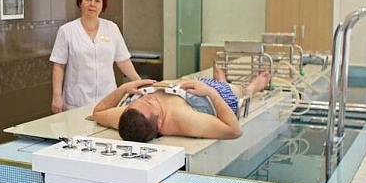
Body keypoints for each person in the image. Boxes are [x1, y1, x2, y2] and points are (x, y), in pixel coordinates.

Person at [92, 67, 272, 141]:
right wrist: (211, 93)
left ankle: (221, 80)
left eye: (138, 100)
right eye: (149, 102)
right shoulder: (182, 120)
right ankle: (251, 87)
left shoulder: (130, 117)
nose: (145, 97)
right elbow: (234, 130)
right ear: (159, 123)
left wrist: (123, 89)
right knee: (238, 91)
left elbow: (98, 112)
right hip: (216, 96)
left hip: (186, 86)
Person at [50, 0, 140, 112]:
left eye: (97, 0)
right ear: (80, 3)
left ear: (102, 6)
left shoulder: (112, 28)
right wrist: (57, 96)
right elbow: (59, 65)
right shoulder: (67, 30)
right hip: (77, 100)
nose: (92, 4)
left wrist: (139, 83)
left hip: (108, 99)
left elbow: (123, 60)